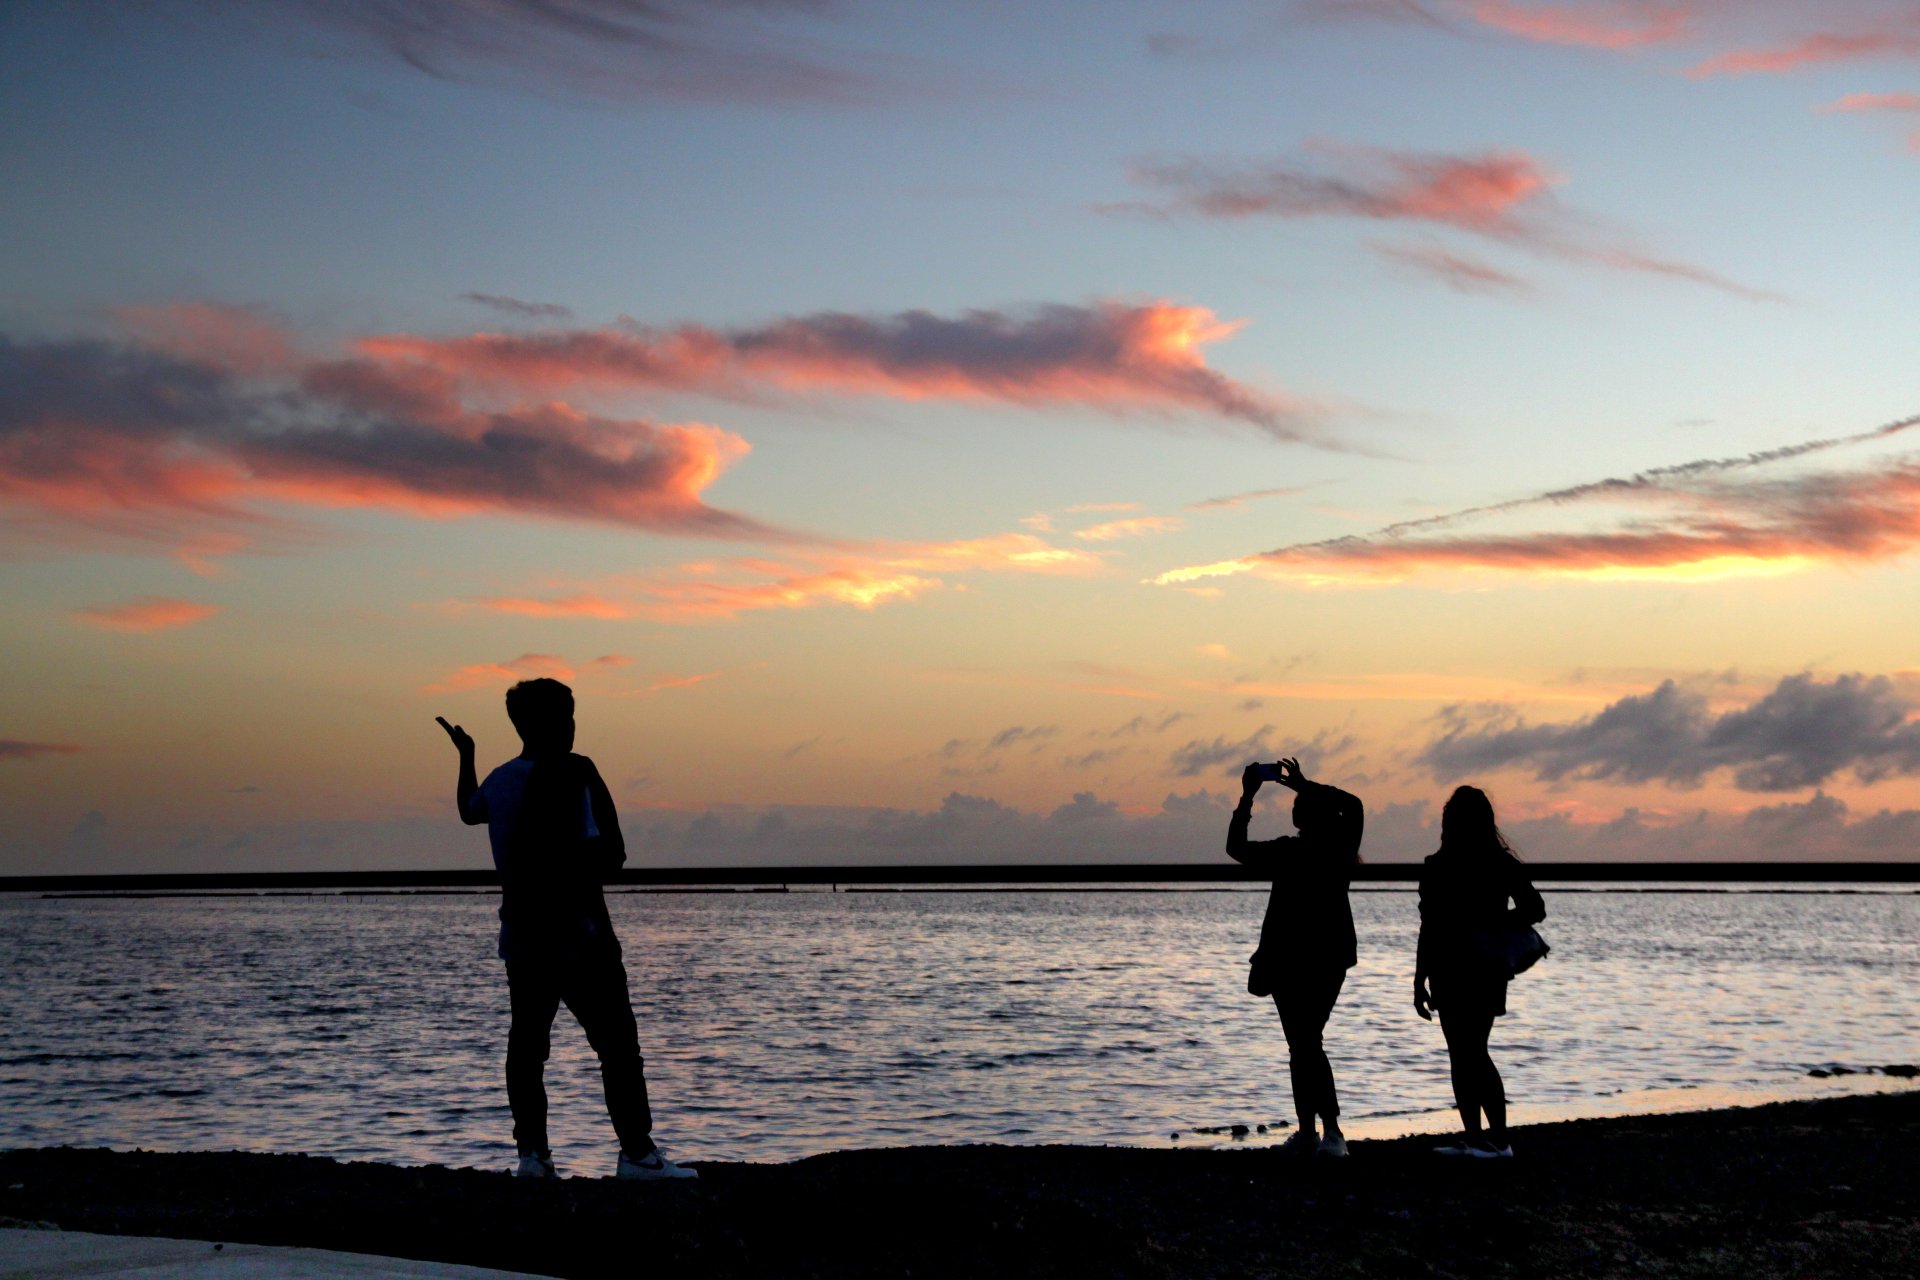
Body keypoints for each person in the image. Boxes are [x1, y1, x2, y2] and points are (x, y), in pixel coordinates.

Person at [436, 678, 696, 1181]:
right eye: (568, 718)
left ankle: (532, 1156)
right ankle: (637, 1154)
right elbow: (612, 855)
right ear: (556, 723)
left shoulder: (501, 779)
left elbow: (470, 812)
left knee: (528, 1046)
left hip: (521, 935)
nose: (573, 728)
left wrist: (466, 755)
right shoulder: (578, 773)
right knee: (617, 1046)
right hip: (580, 935)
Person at [1227, 756, 1364, 1158]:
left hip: (1312, 958)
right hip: (1306, 958)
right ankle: (1310, 1131)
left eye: (1298, 803)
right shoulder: (1333, 849)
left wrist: (1250, 795)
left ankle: (1331, 1132)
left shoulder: (1328, 850)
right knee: (1302, 1043)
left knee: (1305, 1042)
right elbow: (1353, 805)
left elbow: (1236, 846)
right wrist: (1302, 785)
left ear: (1305, 815)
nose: (1294, 805)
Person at [1412, 785, 1545, 1160]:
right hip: (1478, 967)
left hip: (1458, 966)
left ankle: (1495, 1140)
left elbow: (1429, 926)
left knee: (1467, 1051)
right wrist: (1496, 921)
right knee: (1467, 1051)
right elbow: (1534, 909)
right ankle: (1481, 1138)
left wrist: (1419, 977)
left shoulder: (1440, 866)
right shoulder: (1498, 863)